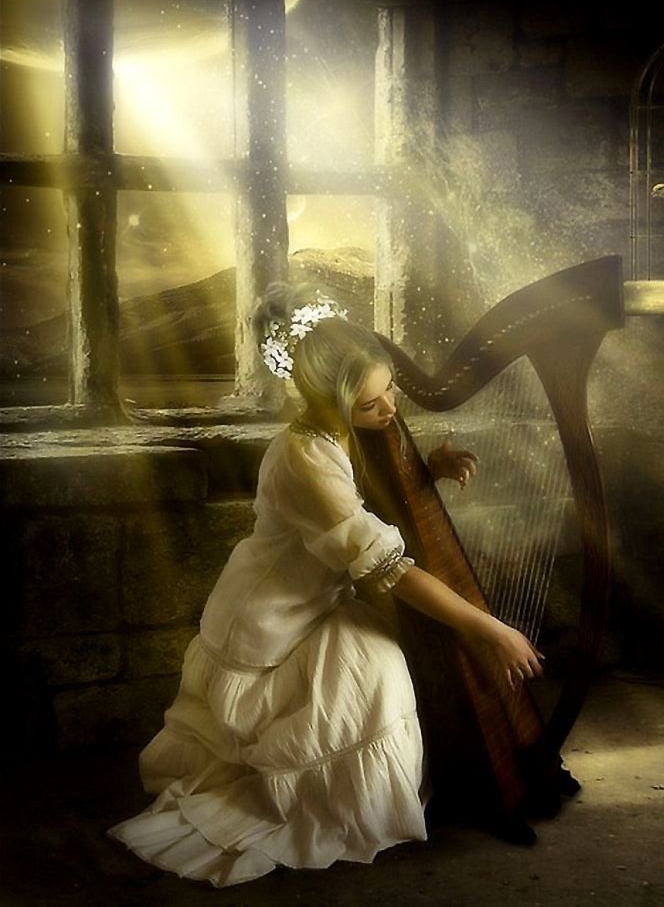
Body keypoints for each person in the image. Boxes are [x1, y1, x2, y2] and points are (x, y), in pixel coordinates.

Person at [109, 288, 544, 887]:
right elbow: (387, 567)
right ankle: (333, 801)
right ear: (329, 398)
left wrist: (428, 469)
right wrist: (490, 628)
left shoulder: (339, 429)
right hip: (272, 619)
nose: (389, 409)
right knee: (379, 673)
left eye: (391, 390)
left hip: (314, 599)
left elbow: (366, 498)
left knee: (382, 666)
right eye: (371, 402)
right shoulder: (304, 458)